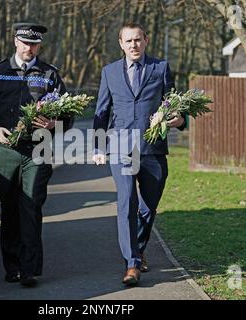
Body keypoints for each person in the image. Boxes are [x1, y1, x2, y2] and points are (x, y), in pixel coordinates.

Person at [0, 22, 68, 287]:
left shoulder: (49, 75)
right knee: (11, 208)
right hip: (5, 152)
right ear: (15, 41)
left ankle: (29, 269)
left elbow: (68, 114)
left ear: (40, 46)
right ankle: (11, 267)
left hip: (37, 150)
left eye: (34, 44)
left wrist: (54, 124)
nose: (29, 48)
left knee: (31, 205)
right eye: (25, 43)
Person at [92, 23, 186, 286]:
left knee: (147, 206)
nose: (133, 45)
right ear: (121, 44)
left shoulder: (160, 68)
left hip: (153, 149)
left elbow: (175, 106)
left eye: (138, 40)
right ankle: (132, 263)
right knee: (127, 201)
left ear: (146, 40)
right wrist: (99, 147)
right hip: (121, 148)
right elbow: (102, 111)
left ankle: (138, 248)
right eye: (128, 41)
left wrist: (178, 120)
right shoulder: (109, 72)